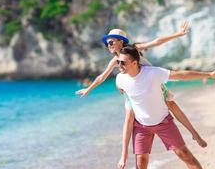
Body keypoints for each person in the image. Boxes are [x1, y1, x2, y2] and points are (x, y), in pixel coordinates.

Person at [76, 23, 207, 149]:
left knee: (172, 105)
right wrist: (88, 89)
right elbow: (102, 77)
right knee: (129, 116)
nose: (108, 45)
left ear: (121, 41)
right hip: (135, 89)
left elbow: (156, 42)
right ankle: (125, 154)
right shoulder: (115, 61)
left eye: (111, 42)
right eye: (107, 43)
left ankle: (194, 133)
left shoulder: (134, 50)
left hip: (152, 82)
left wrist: (178, 34)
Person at [115, 46, 215, 169]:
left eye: (122, 62)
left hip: (164, 122)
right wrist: (124, 155)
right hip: (141, 126)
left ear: (134, 63)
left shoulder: (153, 73)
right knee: (141, 162)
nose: (119, 65)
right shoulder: (120, 79)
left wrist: (209, 75)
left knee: (185, 155)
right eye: (118, 62)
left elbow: (180, 75)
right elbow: (127, 104)